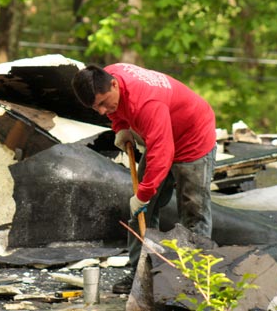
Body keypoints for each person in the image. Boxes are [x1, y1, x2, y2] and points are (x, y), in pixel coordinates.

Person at [71, 63, 216, 294]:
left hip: (192, 140)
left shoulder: (147, 102)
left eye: (102, 103)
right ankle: (142, 273)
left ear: (114, 84)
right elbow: (119, 111)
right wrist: (120, 126)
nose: (101, 111)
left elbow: (163, 151)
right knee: (141, 212)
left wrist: (144, 193)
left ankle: (196, 281)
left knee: (193, 213)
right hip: (162, 135)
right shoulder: (108, 78)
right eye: (95, 106)